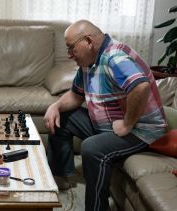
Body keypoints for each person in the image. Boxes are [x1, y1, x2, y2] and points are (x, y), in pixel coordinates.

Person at [43, 20, 166, 211]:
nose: (69, 55)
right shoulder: (88, 61)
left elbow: (140, 86)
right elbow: (76, 95)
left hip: (140, 131)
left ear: (88, 42)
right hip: (105, 125)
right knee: (61, 118)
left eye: (71, 48)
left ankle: (96, 208)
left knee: (92, 148)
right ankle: (61, 176)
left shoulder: (114, 56)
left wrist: (127, 124)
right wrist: (56, 106)